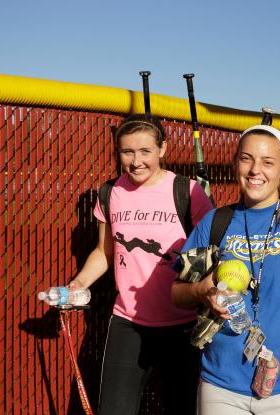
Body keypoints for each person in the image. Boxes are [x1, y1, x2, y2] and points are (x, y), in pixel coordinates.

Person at [172, 124, 280, 415]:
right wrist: (201, 290)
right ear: (235, 164)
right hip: (222, 384)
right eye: (247, 159)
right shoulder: (214, 222)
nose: (256, 170)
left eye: (268, 162)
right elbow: (177, 293)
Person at [68, 114, 213, 415]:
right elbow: (104, 252)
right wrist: (79, 283)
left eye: (145, 151)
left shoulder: (187, 192)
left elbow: (212, 251)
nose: (136, 161)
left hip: (183, 325)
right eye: (127, 152)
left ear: (162, 149)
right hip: (128, 322)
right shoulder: (110, 193)